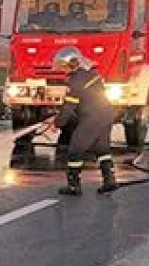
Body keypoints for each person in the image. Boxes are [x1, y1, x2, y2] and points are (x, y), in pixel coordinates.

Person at [48, 46, 117, 195]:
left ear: (73, 64)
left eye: (64, 66)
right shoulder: (92, 74)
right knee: (101, 148)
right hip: (106, 114)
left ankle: (74, 186)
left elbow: (68, 107)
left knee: (75, 149)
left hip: (92, 117)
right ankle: (109, 180)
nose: (63, 69)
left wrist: (57, 123)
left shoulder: (75, 81)